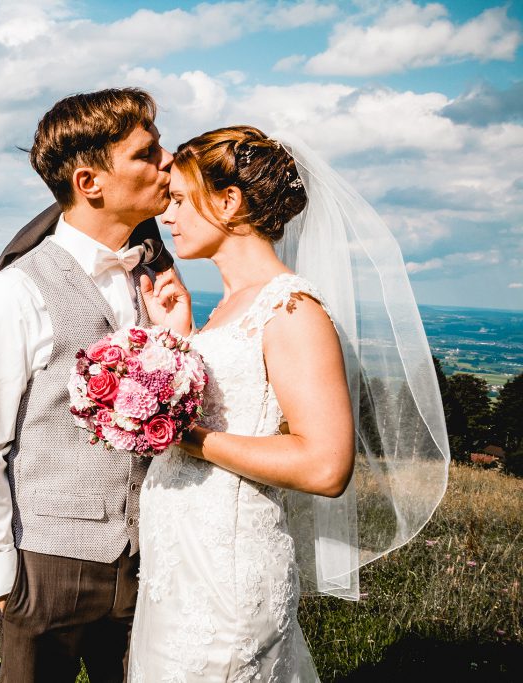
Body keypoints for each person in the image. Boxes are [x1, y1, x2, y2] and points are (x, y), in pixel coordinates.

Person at [128, 125, 450, 681]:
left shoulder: (292, 310)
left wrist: (186, 435)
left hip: (227, 576)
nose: (168, 215)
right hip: (178, 569)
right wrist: (178, 336)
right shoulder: (229, 306)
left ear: (228, 202)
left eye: (179, 199)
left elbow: (325, 466)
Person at [0, 87, 175, 682]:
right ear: (89, 181)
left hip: (148, 562)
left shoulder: (157, 279)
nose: (168, 161)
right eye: (146, 154)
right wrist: (1, 575)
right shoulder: (17, 291)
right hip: (46, 562)